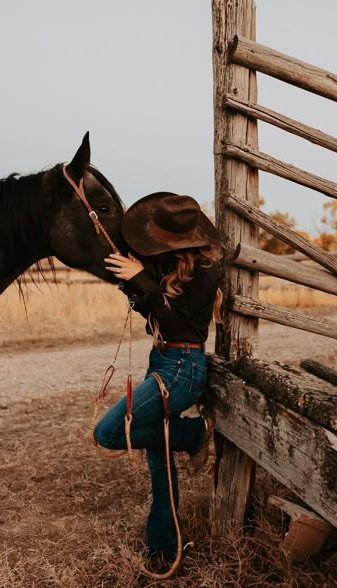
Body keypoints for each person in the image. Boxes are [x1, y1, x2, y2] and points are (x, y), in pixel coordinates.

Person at [93, 192, 222, 564]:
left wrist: (142, 281)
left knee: (111, 432)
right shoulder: (171, 267)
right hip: (163, 360)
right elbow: (155, 314)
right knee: (159, 458)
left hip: (183, 367)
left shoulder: (204, 270)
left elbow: (178, 322)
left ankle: (196, 433)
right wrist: (134, 282)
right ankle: (163, 548)